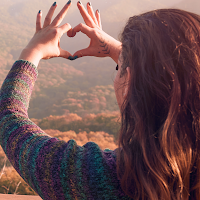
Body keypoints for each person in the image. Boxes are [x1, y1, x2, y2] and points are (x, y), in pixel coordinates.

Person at [0, 1, 200, 199]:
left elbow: (8, 116)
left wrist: (31, 52)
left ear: (128, 83)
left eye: (118, 68)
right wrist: (123, 54)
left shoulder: (100, 181)